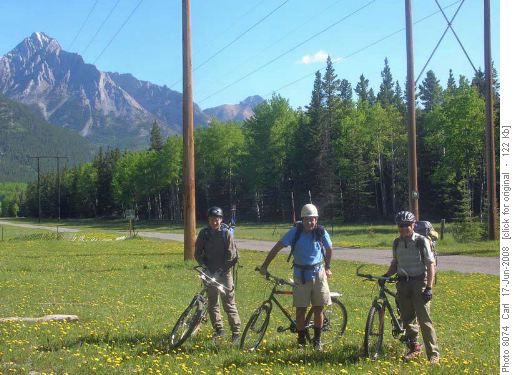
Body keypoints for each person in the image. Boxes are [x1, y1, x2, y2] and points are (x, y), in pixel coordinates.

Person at [259, 203, 333, 350]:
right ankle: (301, 342)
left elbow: (329, 249)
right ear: (302, 219)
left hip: (319, 274)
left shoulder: (321, 231)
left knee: (318, 308)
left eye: (312, 219)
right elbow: (277, 248)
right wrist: (265, 265)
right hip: (301, 275)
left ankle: (317, 341)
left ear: (316, 219)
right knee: (300, 310)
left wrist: (328, 267)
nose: (310, 222)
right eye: (307, 219)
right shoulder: (295, 232)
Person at [382, 211, 440, 364]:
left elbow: (430, 264)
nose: (403, 228)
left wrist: (429, 288)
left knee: (424, 320)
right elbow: (395, 263)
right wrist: (386, 275)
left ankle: (433, 354)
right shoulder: (396, 242)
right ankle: (414, 348)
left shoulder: (421, 241)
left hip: (419, 283)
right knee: (407, 319)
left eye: (407, 225)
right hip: (402, 284)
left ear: (413, 225)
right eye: (401, 225)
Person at [194, 206, 241, 344]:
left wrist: (221, 270)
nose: (215, 222)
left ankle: (236, 333)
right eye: (212, 219)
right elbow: (197, 254)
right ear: (208, 220)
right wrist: (204, 267)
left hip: (224, 273)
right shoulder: (204, 233)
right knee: (212, 302)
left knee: (229, 303)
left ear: (221, 220)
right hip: (209, 272)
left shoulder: (226, 234)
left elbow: (232, 256)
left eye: (217, 219)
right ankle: (219, 330)